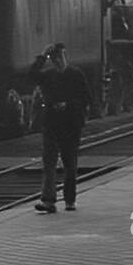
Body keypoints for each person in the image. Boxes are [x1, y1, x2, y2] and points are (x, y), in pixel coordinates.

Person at [29, 42, 95, 213]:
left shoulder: (76, 75)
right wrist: (42, 56)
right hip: (51, 123)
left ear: (65, 56)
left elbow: (87, 98)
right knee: (49, 162)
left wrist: (68, 105)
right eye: (54, 58)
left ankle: (69, 200)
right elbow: (31, 75)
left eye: (60, 57)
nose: (58, 61)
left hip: (71, 124)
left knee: (70, 163)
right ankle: (48, 201)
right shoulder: (48, 75)